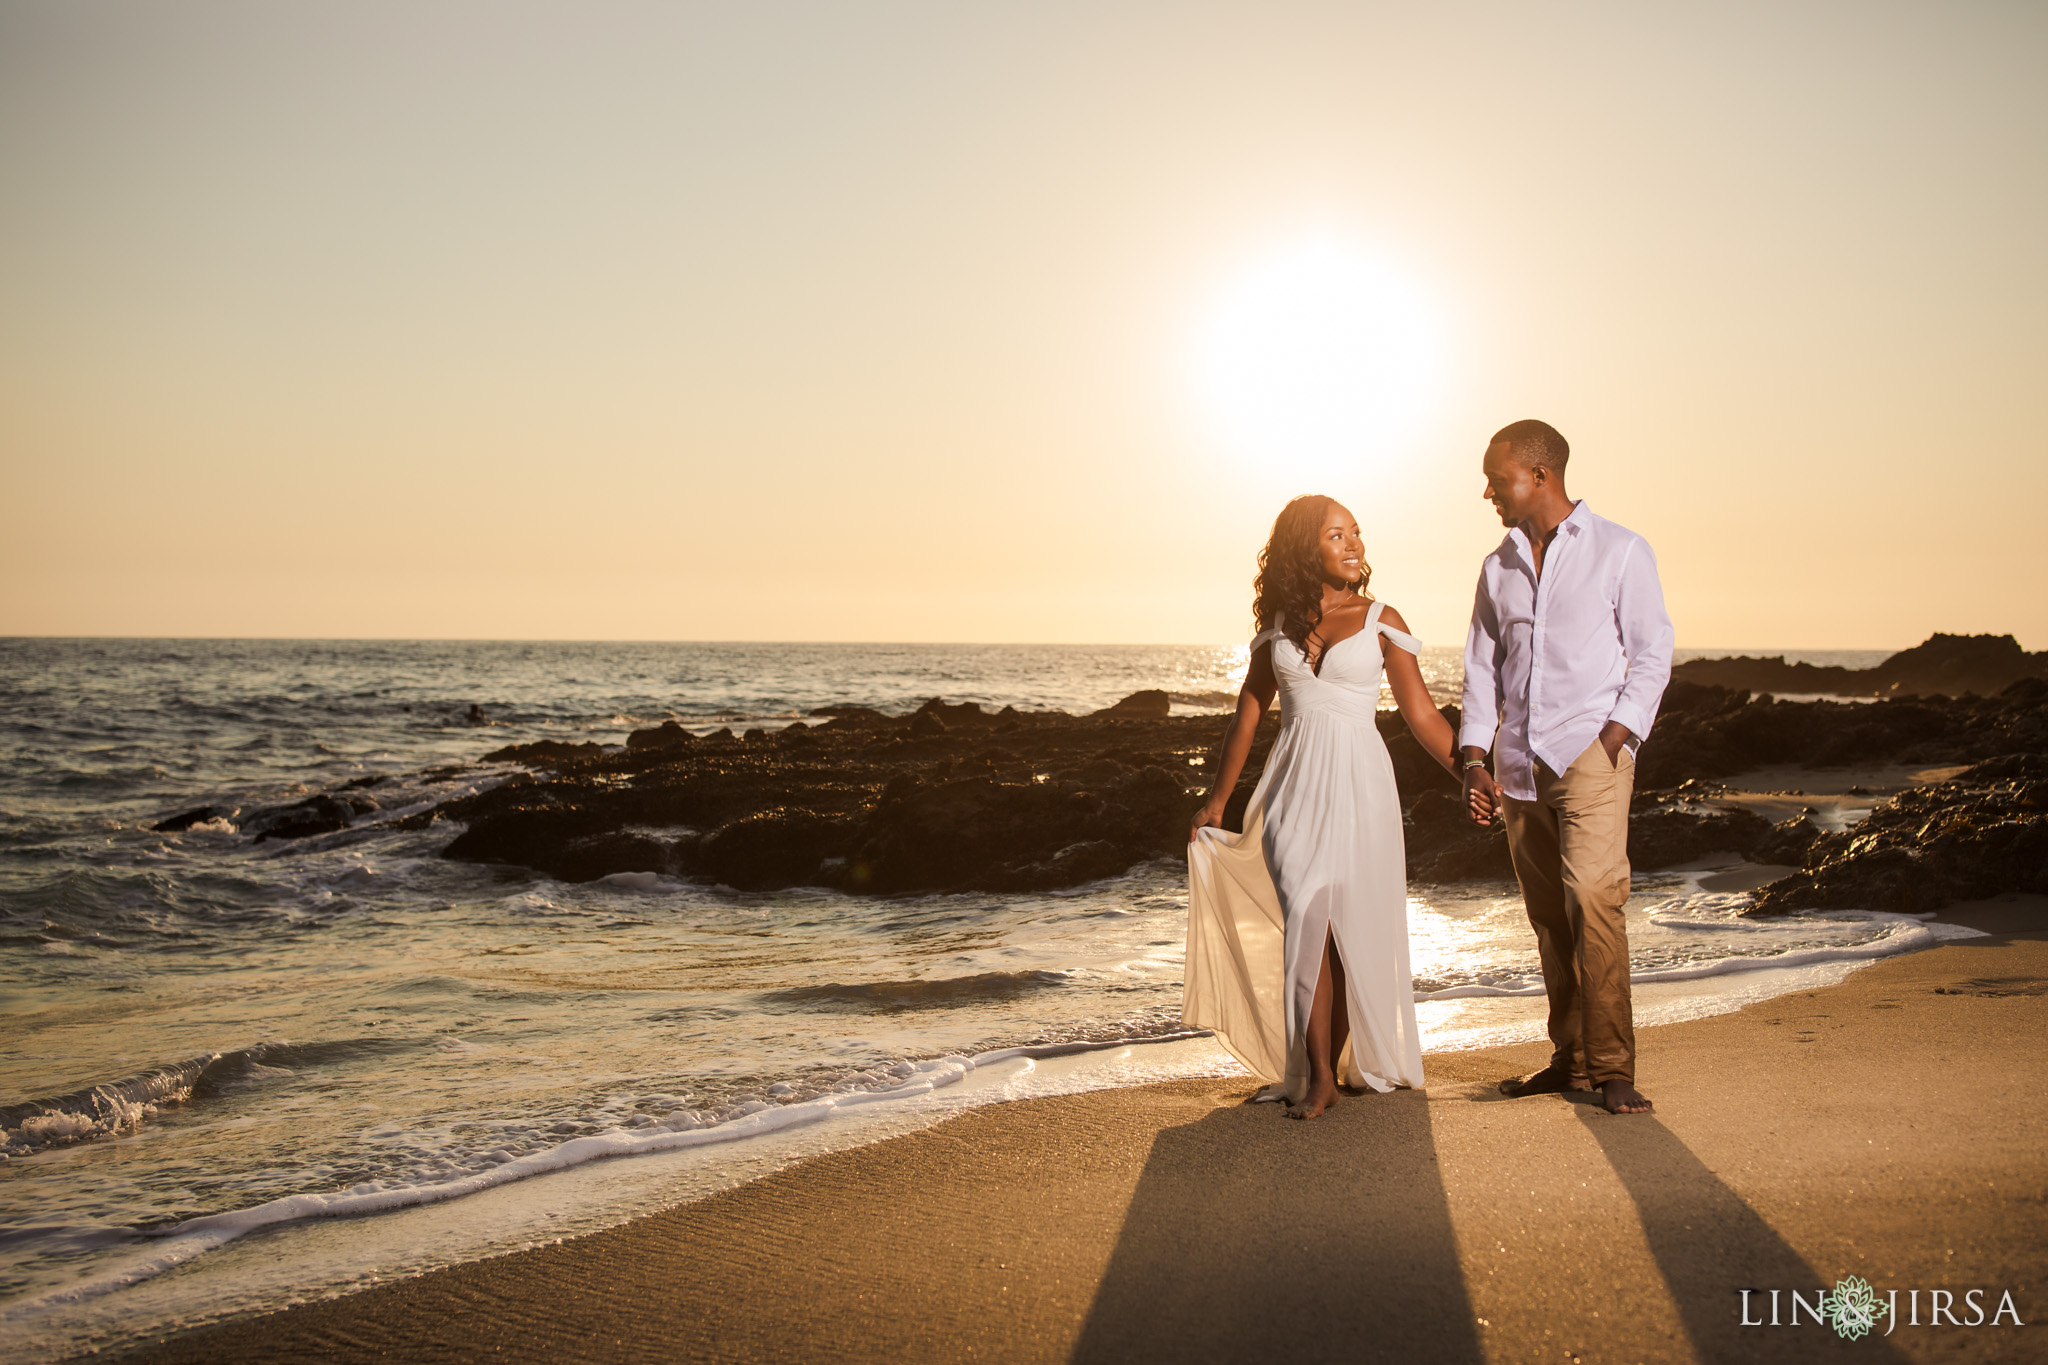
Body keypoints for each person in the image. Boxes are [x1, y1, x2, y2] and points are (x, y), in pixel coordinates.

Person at [1184, 495, 1460, 1120]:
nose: (1354, 544)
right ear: (1306, 548)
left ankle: (1324, 1071)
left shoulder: (1382, 619)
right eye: (1337, 535)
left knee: (1339, 932)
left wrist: (1473, 770)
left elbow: (1421, 715)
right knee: (1307, 920)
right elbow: (1247, 715)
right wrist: (1218, 799)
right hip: (1291, 789)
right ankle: (1316, 1077)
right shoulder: (1277, 626)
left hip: (1360, 785)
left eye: (1356, 533)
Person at [1458, 419, 1673, 1116]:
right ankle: (1571, 1058)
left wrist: (1616, 736)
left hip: (1590, 755)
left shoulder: (1620, 551)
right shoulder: (1498, 568)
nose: (1488, 490)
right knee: (1550, 915)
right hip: (1517, 764)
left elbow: (1652, 651)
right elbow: (1481, 670)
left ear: (1541, 476)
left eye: (1499, 478)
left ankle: (1613, 1068)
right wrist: (1473, 757)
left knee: (1593, 901)